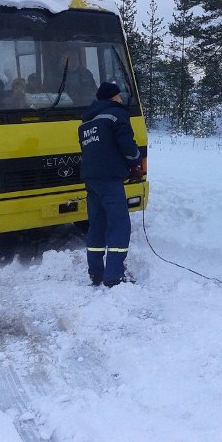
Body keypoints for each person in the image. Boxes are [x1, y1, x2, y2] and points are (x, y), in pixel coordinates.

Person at [78, 81, 143, 287]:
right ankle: (114, 275)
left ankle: (96, 272)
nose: (121, 99)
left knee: (97, 224)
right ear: (112, 97)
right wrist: (135, 161)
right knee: (119, 224)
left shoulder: (85, 122)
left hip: (91, 179)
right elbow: (126, 144)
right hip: (110, 179)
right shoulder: (116, 114)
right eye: (119, 96)